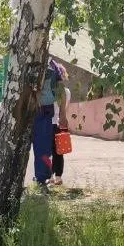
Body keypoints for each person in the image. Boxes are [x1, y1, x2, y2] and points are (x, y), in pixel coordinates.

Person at [33, 59, 67, 190]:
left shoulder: (44, 71)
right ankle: (45, 176)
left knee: (42, 149)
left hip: (43, 112)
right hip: (47, 113)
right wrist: (63, 115)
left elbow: (59, 93)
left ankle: (43, 177)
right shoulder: (53, 73)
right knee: (46, 150)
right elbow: (61, 93)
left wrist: (62, 115)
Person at [51, 68, 71, 185]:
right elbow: (65, 109)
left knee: (46, 151)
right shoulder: (66, 92)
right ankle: (58, 177)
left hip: (47, 123)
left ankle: (49, 175)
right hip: (60, 123)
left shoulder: (48, 90)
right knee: (59, 151)